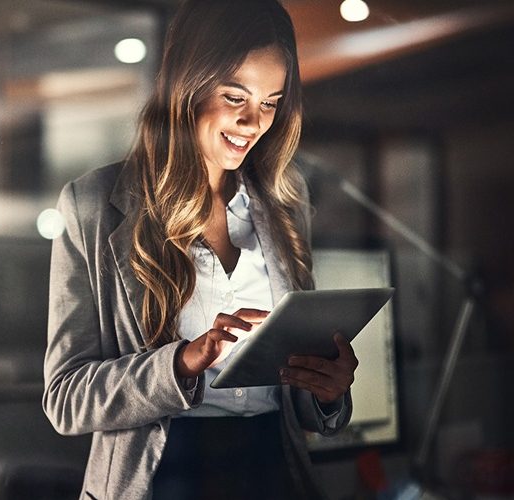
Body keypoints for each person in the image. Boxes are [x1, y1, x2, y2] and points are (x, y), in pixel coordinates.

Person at [42, 0, 359, 498]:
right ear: (187, 86)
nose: (254, 122)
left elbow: (303, 408)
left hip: (270, 472)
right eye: (236, 97)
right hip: (163, 478)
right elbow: (66, 399)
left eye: (271, 102)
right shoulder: (92, 206)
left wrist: (327, 389)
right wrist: (181, 363)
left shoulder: (284, 206)